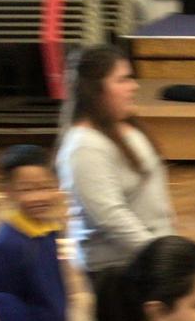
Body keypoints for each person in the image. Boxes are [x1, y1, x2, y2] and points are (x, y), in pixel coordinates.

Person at [55, 45, 175, 280]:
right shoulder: (84, 146)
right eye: (122, 80)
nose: (134, 86)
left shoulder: (125, 126)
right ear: (95, 90)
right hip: (119, 271)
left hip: (147, 257)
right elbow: (111, 217)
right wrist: (160, 257)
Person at [0, 145, 69, 321]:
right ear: (8, 192)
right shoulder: (6, 245)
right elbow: (2, 304)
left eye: (46, 187)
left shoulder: (48, 229)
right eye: (27, 190)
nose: (39, 197)